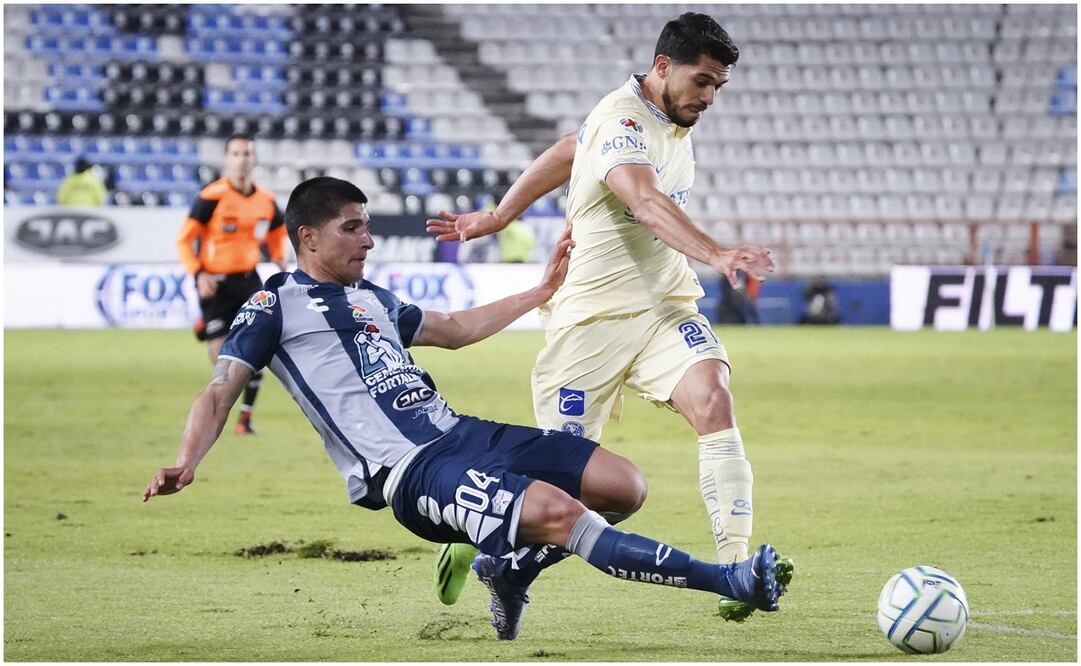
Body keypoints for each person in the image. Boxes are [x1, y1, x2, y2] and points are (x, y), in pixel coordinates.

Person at [142, 177, 785, 641]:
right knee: (561, 514)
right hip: (411, 473)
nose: (369, 239)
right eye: (352, 228)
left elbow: (452, 329)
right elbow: (220, 389)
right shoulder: (273, 305)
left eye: (366, 225)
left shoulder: (372, 299)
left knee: (624, 486)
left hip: (463, 434)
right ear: (308, 237)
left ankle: (507, 571)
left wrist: (541, 291)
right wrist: (186, 460)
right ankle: (728, 580)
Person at [428, 12, 789, 622]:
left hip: (662, 309)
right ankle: (493, 547)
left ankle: (737, 568)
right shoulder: (622, 120)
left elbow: (569, 149)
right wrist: (717, 253)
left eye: (718, 86)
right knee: (584, 492)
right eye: (702, 81)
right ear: (663, 67)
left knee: (714, 397)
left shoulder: (668, 120)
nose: (709, 97)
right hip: (588, 327)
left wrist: (500, 215)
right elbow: (644, 202)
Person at [176, 133, 287, 435]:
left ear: (255, 159)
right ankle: (216, 411)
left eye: (247, 153)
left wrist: (278, 255)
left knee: (259, 347)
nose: (242, 160)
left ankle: (244, 419)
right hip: (216, 284)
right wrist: (198, 273)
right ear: (227, 159)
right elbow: (184, 240)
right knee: (222, 356)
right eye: (236, 154)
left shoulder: (265, 200)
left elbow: (277, 231)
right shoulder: (211, 197)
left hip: (249, 280)